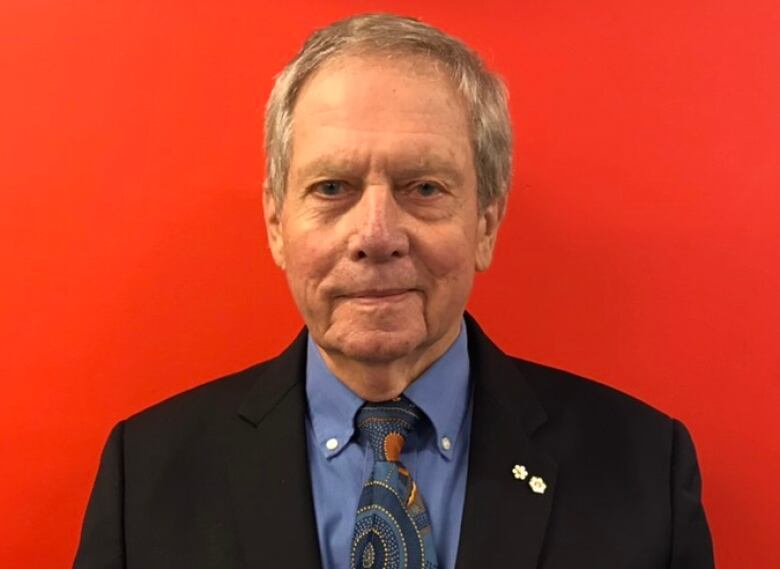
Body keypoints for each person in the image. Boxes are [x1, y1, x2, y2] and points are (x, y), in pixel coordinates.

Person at [73, 13, 714, 569]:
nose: (376, 236)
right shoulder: (149, 475)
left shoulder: (643, 469)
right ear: (276, 224)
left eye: (424, 188)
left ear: (485, 223)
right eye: (332, 189)